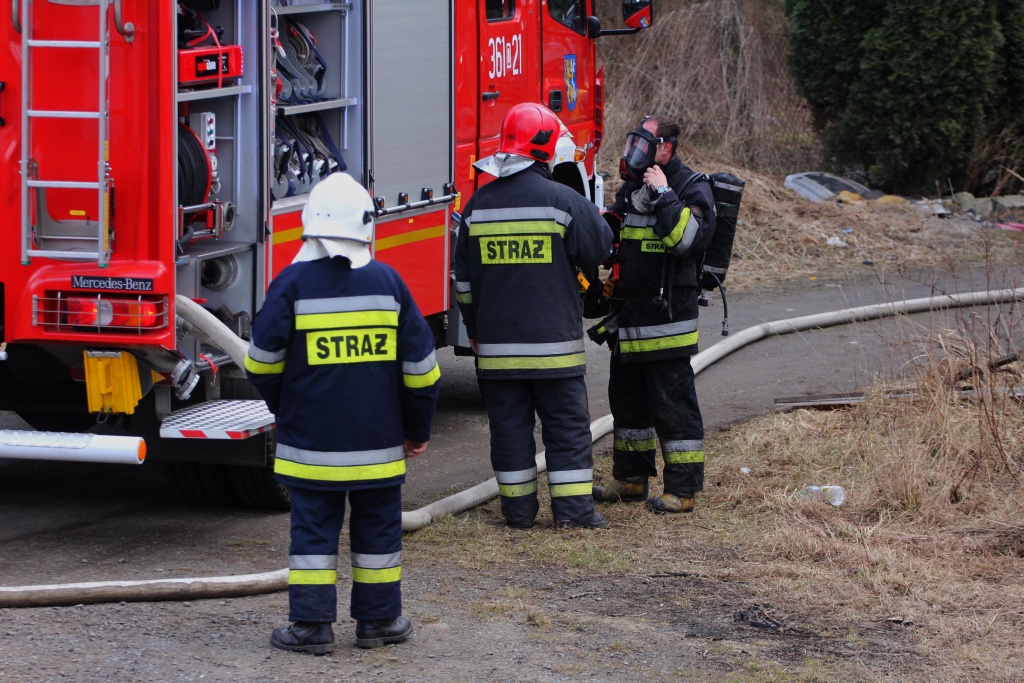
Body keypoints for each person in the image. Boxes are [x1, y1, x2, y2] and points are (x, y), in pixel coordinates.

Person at [245, 172, 441, 654]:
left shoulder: (290, 284)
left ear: (310, 225)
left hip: (309, 447)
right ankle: (380, 622)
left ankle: (312, 628)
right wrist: (416, 429)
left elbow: (259, 364)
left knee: (313, 533)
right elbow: (422, 371)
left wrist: (286, 408)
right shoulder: (389, 283)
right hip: (378, 447)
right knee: (378, 533)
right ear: (365, 226)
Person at [454, 102, 614, 530]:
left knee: (509, 434)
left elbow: (463, 283)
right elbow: (601, 247)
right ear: (545, 148)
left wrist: (474, 331)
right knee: (567, 433)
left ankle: (519, 514)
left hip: (496, 353)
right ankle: (575, 515)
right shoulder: (564, 201)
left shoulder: (476, 208)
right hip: (554, 354)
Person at [591, 114, 717, 514]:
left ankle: (682, 490)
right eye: (635, 142)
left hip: (667, 324)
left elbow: (686, 240)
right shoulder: (632, 189)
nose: (637, 152)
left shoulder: (692, 188)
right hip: (629, 319)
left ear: (666, 147)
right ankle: (630, 479)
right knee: (627, 405)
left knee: (673, 407)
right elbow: (614, 233)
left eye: (646, 144)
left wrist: (665, 195)